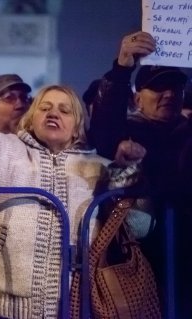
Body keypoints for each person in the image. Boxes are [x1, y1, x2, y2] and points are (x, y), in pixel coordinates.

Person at [0, 84, 151, 318]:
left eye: (64, 110)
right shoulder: (4, 148)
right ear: (31, 118)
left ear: (77, 128)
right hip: (4, 305)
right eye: (44, 108)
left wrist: (127, 171)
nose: (53, 113)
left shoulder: (100, 166)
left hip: (77, 304)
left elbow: (140, 227)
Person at [87, 31, 191, 316]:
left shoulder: (187, 132)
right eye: (158, 88)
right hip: (143, 253)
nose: (169, 94)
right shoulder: (129, 132)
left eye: (175, 87)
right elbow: (104, 133)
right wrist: (122, 68)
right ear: (137, 98)